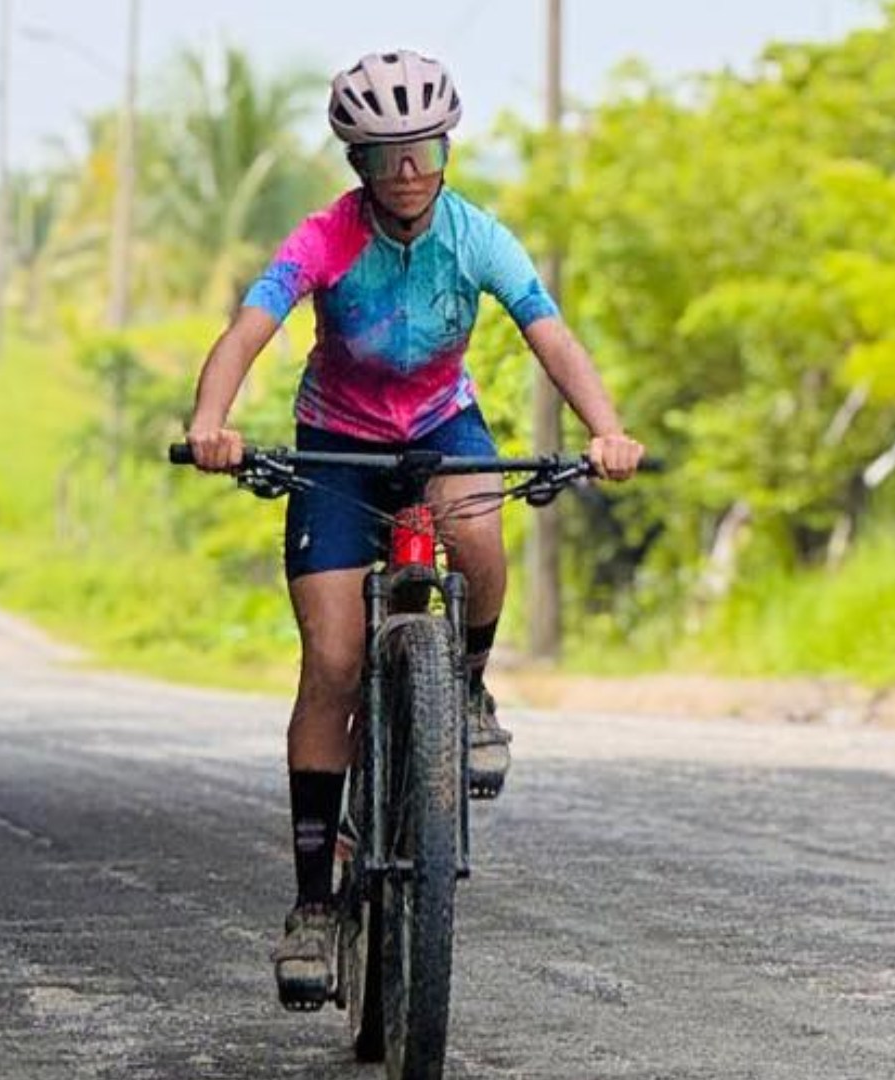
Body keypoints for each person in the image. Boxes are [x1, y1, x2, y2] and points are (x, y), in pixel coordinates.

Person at [183, 49, 644, 1010]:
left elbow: (548, 333)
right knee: (335, 660)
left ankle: (467, 692)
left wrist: (606, 432)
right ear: (355, 162)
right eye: (385, 154)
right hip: (337, 446)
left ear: (446, 147)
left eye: (424, 148)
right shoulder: (323, 239)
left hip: (443, 428)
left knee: (478, 538)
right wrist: (211, 423)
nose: (407, 172)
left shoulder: (477, 236)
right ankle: (314, 904)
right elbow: (250, 327)